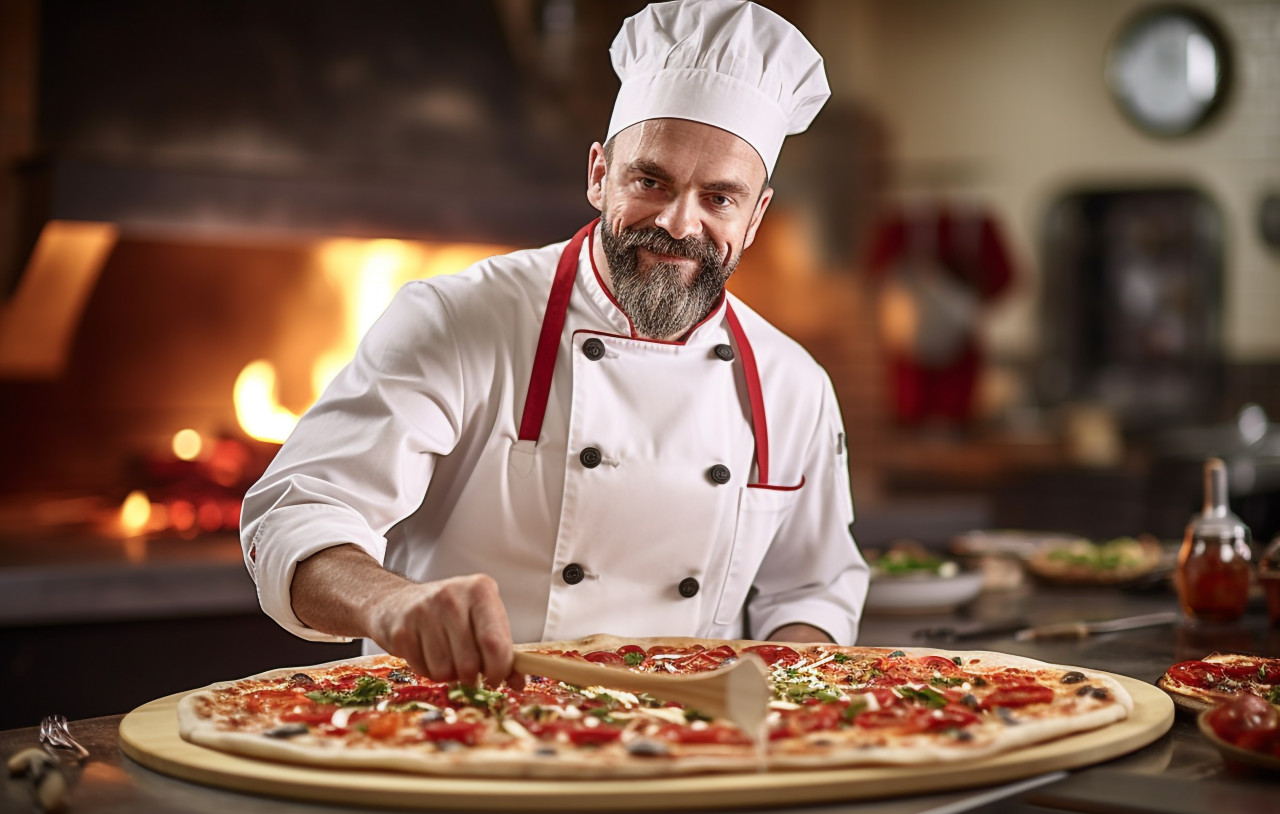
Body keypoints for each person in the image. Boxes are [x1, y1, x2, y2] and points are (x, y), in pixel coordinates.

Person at [241, 0, 868, 687]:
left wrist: (781, 688)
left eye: (720, 198)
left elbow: (812, 591)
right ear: (599, 174)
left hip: (686, 735)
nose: (679, 223)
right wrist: (390, 603)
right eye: (650, 181)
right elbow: (299, 512)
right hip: (454, 723)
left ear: (756, 216)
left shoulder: (792, 383)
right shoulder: (458, 320)